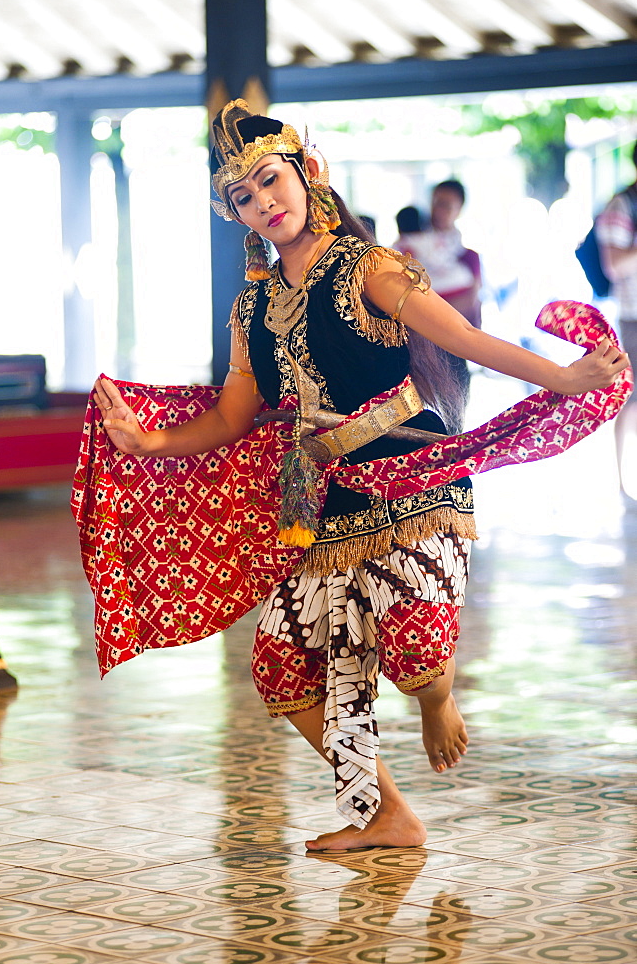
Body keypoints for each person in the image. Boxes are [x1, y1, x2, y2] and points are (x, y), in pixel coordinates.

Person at [92, 100, 628, 853]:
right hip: (315, 496)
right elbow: (231, 417)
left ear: (307, 174)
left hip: (412, 470)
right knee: (281, 664)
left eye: (271, 181)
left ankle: (437, 696)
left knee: (414, 653)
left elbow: (467, 338)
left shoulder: (368, 267)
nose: (264, 203)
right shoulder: (252, 304)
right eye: (244, 197)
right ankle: (385, 814)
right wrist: (145, 443)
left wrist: (566, 378)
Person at [596, 142, 637, 499]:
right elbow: (614, 264)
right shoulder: (623, 205)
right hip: (633, 313)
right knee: (629, 396)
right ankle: (624, 482)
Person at [395, 181, 482, 330]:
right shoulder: (412, 249)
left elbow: (471, 300)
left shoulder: (468, 257)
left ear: (459, 209)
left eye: (445, 205)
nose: (438, 211)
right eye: (435, 203)